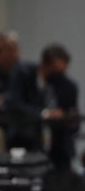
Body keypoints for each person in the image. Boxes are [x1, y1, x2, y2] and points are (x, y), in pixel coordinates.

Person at [7, 44, 79, 172]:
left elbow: (73, 118)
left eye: (63, 72)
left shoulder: (68, 86)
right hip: (26, 143)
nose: (60, 76)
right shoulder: (23, 75)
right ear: (46, 66)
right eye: (57, 71)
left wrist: (68, 118)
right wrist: (45, 114)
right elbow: (15, 106)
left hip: (58, 150)